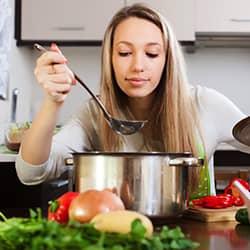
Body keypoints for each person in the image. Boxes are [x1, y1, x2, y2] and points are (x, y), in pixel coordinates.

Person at [16, 3, 249, 199]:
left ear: (167, 60)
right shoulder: (96, 114)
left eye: (152, 54)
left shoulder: (204, 104)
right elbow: (30, 172)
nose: (138, 65)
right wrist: (52, 102)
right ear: (110, 59)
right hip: (123, 235)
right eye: (125, 53)